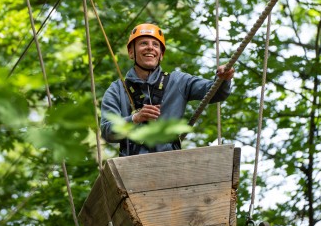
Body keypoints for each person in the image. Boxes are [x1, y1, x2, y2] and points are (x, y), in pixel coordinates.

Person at [100, 23, 234, 157]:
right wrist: (135, 119)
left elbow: (215, 92)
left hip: (170, 163)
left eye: (156, 45)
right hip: (132, 166)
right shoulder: (117, 90)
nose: (150, 48)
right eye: (143, 43)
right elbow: (107, 131)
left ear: (161, 54)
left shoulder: (178, 81)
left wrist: (224, 79)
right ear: (131, 52)